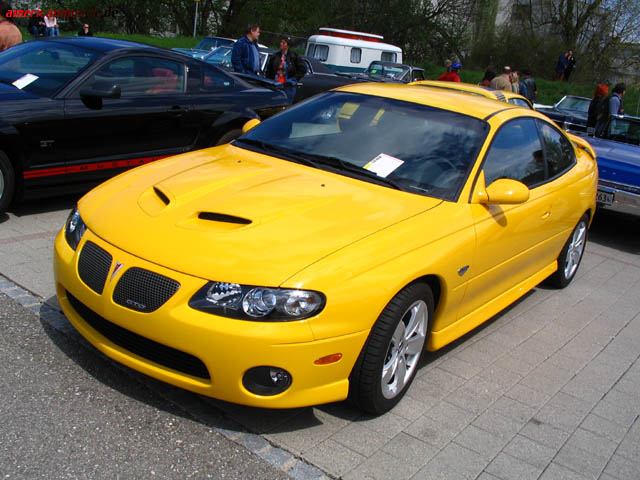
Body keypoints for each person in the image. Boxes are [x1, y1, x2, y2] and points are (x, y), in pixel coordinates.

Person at [265, 35, 306, 104]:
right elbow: (269, 70)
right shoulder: (275, 56)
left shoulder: (294, 56)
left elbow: (303, 69)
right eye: (281, 42)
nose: (281, 44)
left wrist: (294, 79)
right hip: (276, 85)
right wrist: (269, 83)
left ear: (288, 45)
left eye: (283, 43)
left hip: (288, 86)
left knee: (287, 105)